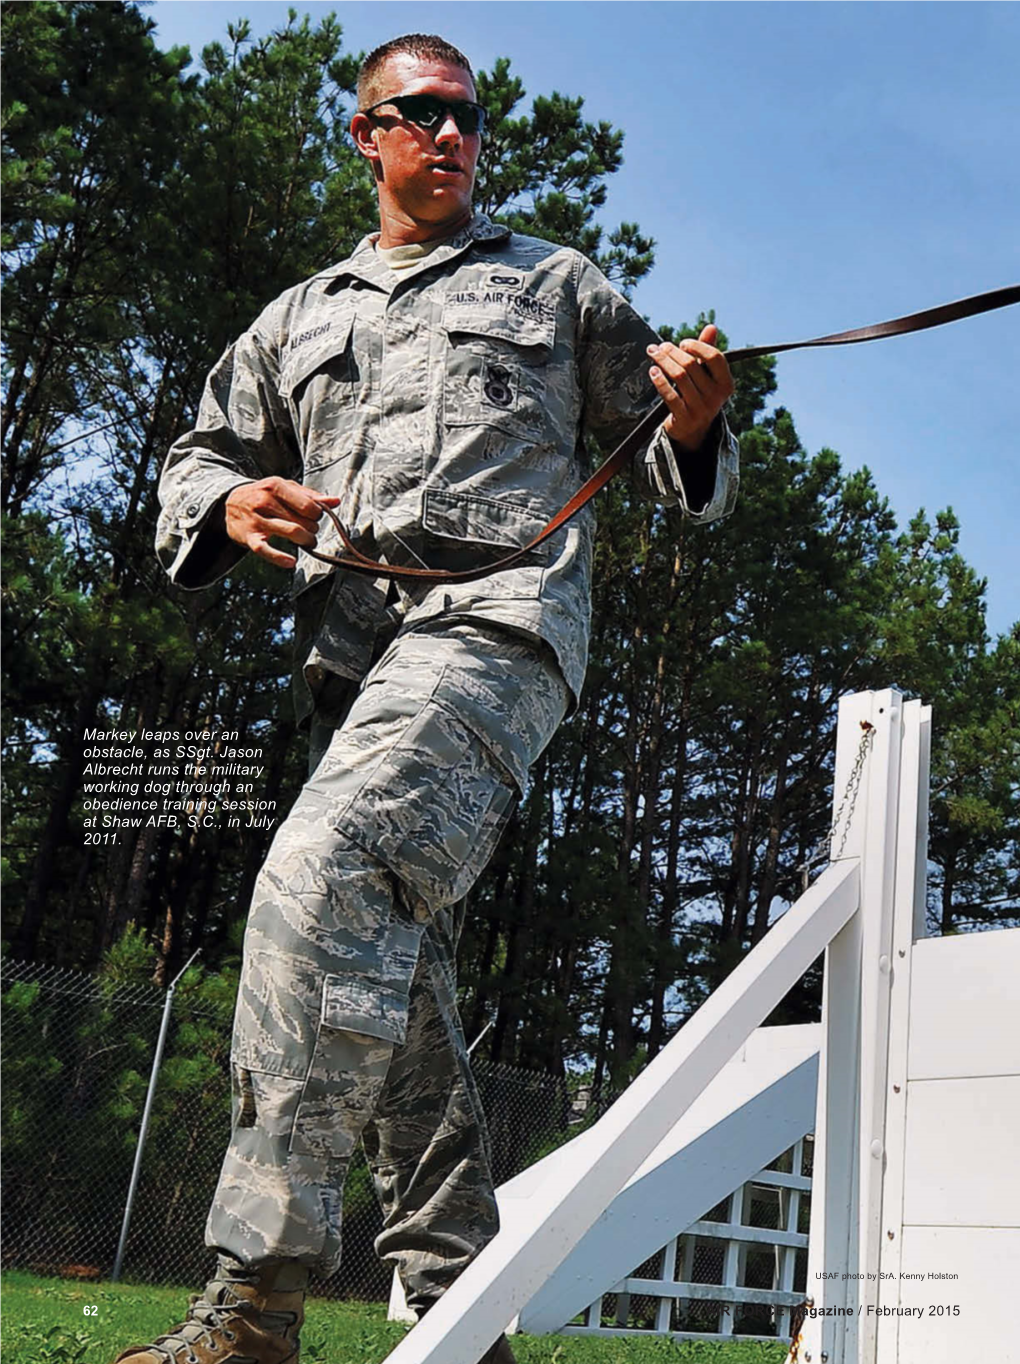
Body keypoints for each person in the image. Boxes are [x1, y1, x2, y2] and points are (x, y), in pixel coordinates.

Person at [115, 32, 738, 1364]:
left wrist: (691, 419)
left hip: (498, 632)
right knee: (391, 983)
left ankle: (255, 1306)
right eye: (422, 115)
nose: (452, 135)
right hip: (356, 667)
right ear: (365, 134)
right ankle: (466, 1312)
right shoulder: (296, 317)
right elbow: (196, 452)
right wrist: (229, 500)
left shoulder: (557, 284)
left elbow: (670, 448)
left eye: (468, 116)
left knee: (322, 875)